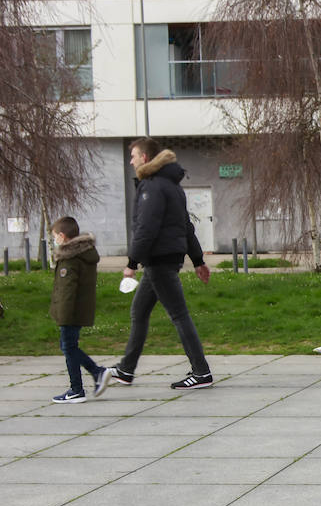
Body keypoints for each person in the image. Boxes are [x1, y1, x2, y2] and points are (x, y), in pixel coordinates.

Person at [106, 138, 213, 391]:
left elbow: (146, 229)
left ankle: (201, 372)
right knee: (139, 311)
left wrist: (131, 263)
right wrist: (198, 261)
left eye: (133, 155)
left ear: (145, 157)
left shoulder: (151, 187)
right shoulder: (172, 187)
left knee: (179, 315)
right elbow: (186, 227)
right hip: (164, 259)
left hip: (159, 261)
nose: (130, 160)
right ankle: (126, 370)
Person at [48, 216, 112, 403]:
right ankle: (96, 373)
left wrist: (63, 316)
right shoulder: (83, 254)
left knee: (68, 347)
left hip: (71, 312)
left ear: (62, 236)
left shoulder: (70, 259)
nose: (54, 240)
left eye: (54, 236)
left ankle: (78, 388)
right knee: (69, 347)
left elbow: (67, 291)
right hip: (79, 309)